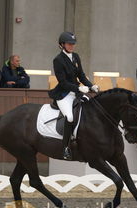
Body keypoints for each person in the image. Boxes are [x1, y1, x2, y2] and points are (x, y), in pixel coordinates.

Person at [48, 31, 99, 160]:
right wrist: (78, 87)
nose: (72, 46)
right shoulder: (58, 60)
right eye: (69, 44)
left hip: (77, 91)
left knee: (92, 107)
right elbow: (63, 82)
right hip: (64, 93)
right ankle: (65, 148)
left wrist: (91, 85)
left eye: (73, 44)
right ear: (62, 45)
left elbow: (81, 75)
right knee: (70, 117)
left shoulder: (76, 56)